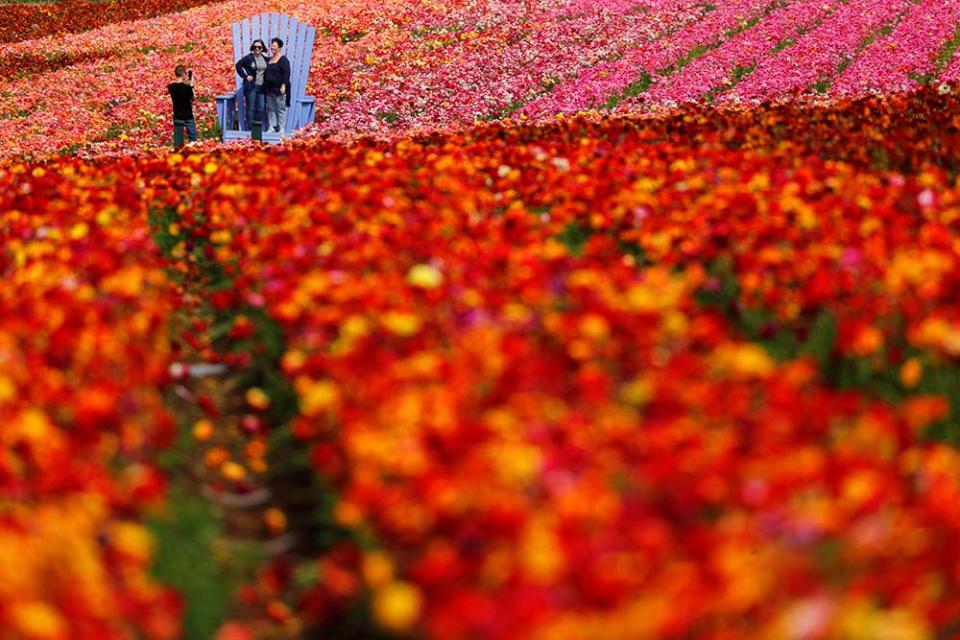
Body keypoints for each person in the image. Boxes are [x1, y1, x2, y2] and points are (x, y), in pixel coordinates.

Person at [235, 39, 268, 130]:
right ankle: (250, 129)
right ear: (252, 48)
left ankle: (256, 129)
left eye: (259, 47)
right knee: (251, 108)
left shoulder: (265, 59)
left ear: (262, 48)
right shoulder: (249, 58)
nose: (257, 48)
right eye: (255, 47)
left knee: (260, 108)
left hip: (262, 87)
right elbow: (238, 65)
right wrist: (245, 76)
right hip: (251, 87)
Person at [263, 37, 291, 134]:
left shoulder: (283, 60)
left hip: (279, 89)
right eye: (272, 46)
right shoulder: (270, 59)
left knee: (280, 109)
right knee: (271, 109)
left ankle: (281, 128)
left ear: (279, 48)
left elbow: (286, 73)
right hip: (269, 89)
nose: (272, 47)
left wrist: (283, 86)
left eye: (275, 46)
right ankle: (272, 127)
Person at [167, 65, 197, 142]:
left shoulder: (171, 87)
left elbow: (178, 87)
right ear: (184, 74)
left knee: (178, 141)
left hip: (177, 116)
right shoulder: (187, 88)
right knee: (193, 139)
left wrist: (186, 83)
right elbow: (193, 99)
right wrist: (191, 85)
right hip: (188, 117)